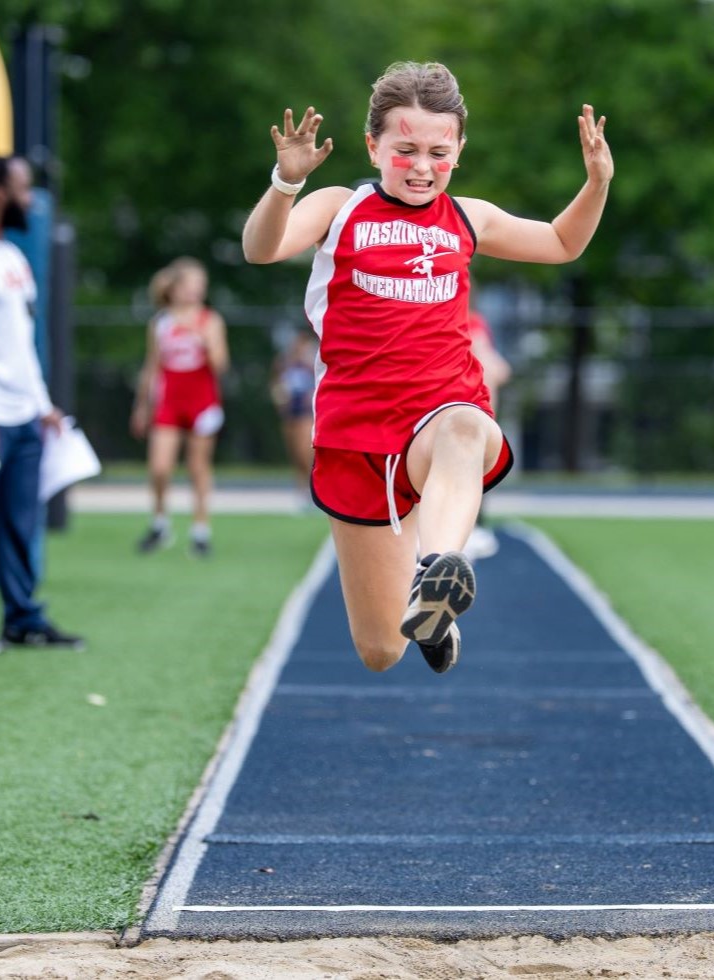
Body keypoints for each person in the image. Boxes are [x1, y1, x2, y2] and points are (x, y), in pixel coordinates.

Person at [242, 61, 612, 675]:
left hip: (439, 415)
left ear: (460, 149)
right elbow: (261, 249)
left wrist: (596, 183)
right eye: (404, 149)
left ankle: (438, 569)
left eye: (439, 152)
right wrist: (286, 181)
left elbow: (560, 242)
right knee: (382, 650)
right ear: (373, 146)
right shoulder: (339, 207)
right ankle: (428, 615)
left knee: (468, 427)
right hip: (356, 437)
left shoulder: (470, 218)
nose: (420, 167)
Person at [0, 156, 84, 654]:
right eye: (23, 189)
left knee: (16, 524)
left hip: (23, 418)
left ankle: (22, 619)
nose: (29, 200)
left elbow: (21, 342)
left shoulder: (11, 257)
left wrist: (41, 404)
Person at [130, 258, 229, 558]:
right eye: (189, 285)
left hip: (202, 403)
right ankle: (160, 523)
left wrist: (205, 343)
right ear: (174, 288)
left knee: (198, 468)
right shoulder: (160, 322)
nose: (195, 291)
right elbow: (152, 367)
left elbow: (221, 365)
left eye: (200, 285)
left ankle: (201, 531)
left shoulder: (210, 320)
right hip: (169, 402)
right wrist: (141, 406)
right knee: (159, 468)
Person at [463, 299, 513, 561]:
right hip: (469, 411)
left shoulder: (471, 321)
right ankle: (470, 530)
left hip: (474, 411)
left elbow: (499, 369)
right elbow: (500, 369)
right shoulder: (469, 321)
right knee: (468, 472)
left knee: (469, 471)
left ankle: (471, 529)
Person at [270, 330, 317, 507]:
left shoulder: (311, 362)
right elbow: (276, 384)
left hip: (306, 411)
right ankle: (301, 489)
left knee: (305, 451)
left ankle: (312, 488)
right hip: (290, 412)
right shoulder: (284, 363)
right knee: (295, 453)